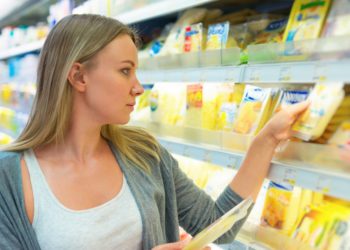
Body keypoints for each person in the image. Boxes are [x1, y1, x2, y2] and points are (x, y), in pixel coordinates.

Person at [0, 14, 309, 250]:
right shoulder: (9, 177)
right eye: (125, 71)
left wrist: (266, 140)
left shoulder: (144, 154)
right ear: (79, 76)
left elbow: (218, 226)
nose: (137, 88)